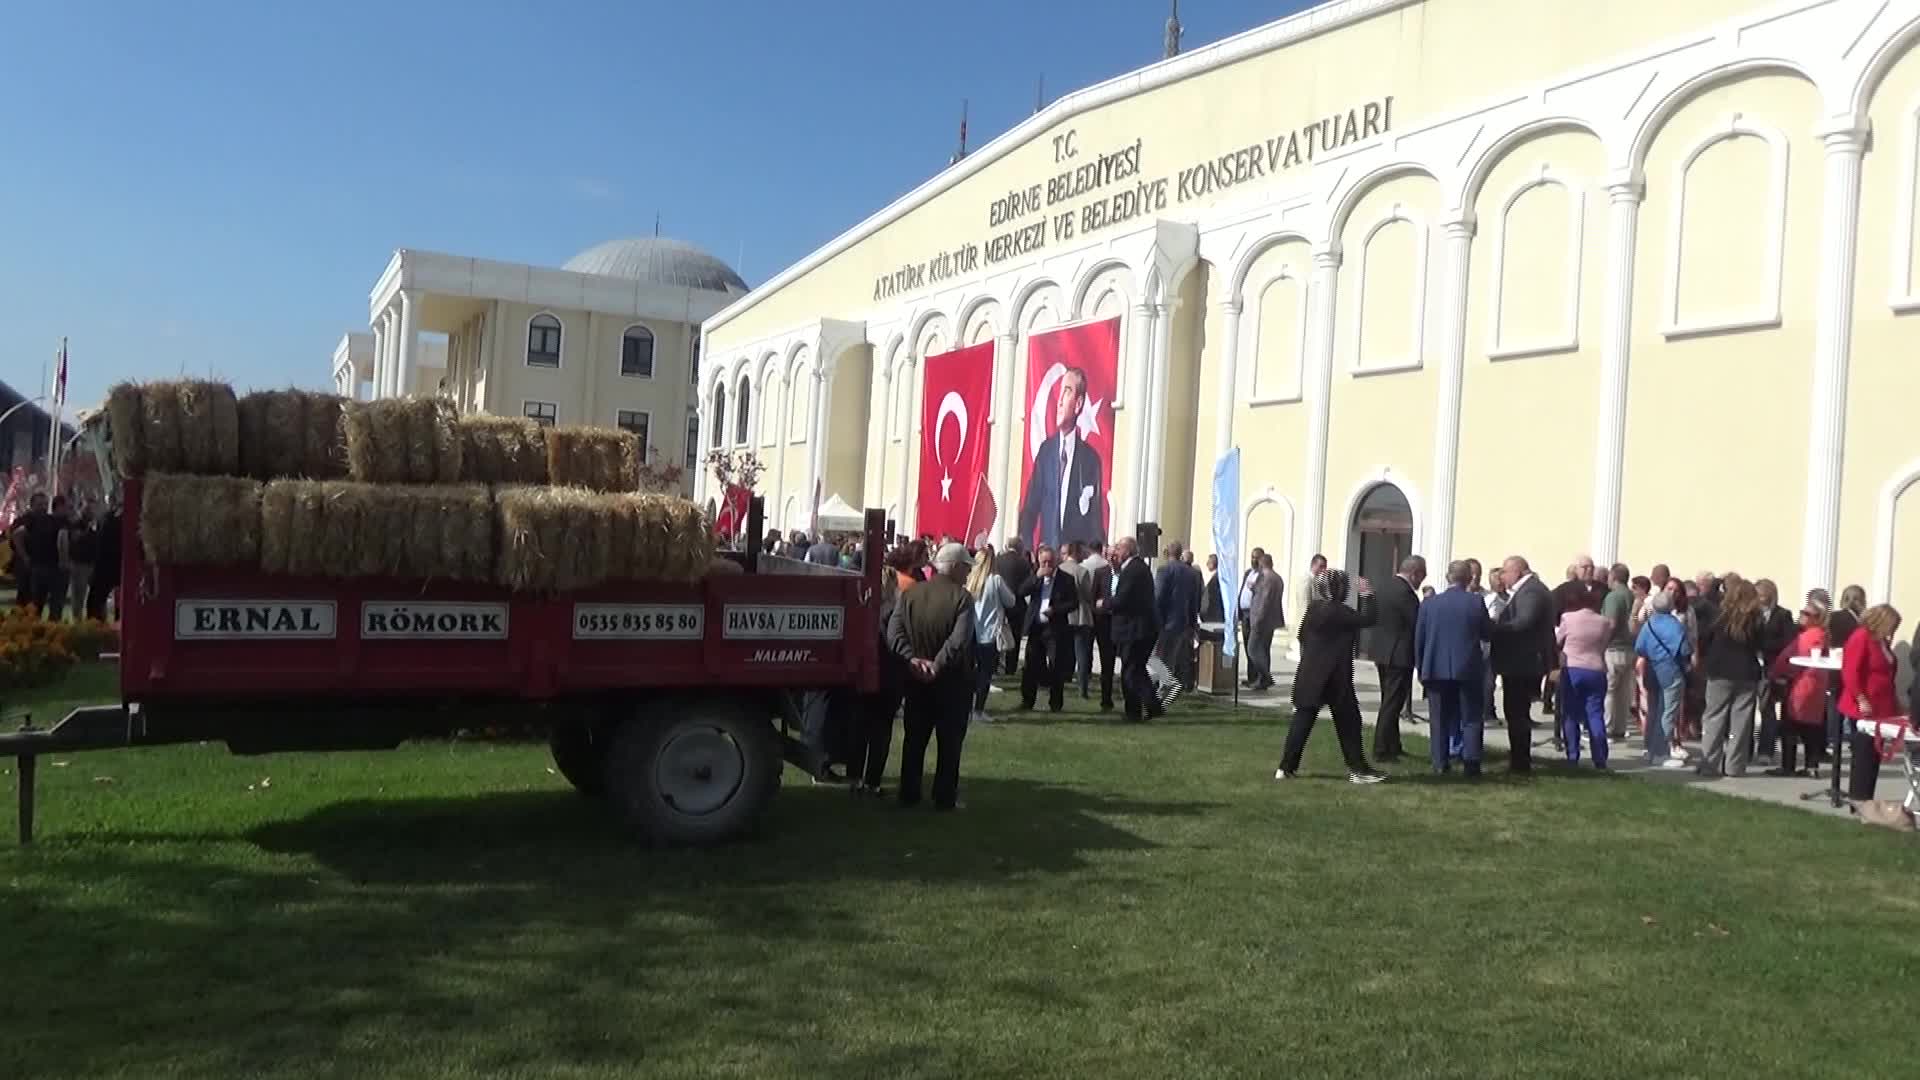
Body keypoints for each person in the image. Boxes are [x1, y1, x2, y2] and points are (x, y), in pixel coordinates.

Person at [887, 542, 977, 810]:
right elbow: (959, 641)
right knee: (949, 744)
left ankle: (909, 793)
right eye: (966, 568)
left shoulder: (911, 594)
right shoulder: (962, 598)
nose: (969, 573)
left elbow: (894, 633)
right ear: (956, 567)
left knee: (914, 740)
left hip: (916, 679)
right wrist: (936, 665)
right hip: (952, 681)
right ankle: (944, 797)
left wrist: (912, 660)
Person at [1277, 570, 1386, 784]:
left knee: (1302, 721)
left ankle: (1285, 767)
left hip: (1310, 674)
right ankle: (1358, 770)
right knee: (1349, 723)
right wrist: (1367, 595)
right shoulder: (1338, 611)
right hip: (1335, 677)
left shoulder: (1314, 609)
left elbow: (1302, 637)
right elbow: (1369, 618)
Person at [1693, 576, 1782, 780]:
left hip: (1719, 671)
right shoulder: (1756, 619)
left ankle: (1709, 763)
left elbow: (1704, 639)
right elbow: (1763, 645)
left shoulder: (1719, 616)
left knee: (1714, 718)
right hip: (1746, 672)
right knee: (1740, 722)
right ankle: (1735, 765)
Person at [1015, 366, 1106, 550]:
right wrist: (1026, 550)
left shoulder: (1090, 460)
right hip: (1045, 556)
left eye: (1066, 392)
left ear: (1078, 404)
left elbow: (1094, 520)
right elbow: (1030, 509)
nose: (1059, 402)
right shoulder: (1046, 452)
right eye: (1060, 392)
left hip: (1074, 560)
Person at [1415, 560, 1491, 776]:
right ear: (1469, 579)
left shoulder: (1429, 604)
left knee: (1438, 719)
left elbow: (1419, 640)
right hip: (1467, 668)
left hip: (1435, 669)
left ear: (1448, 578)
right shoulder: (1476, 602)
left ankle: (1440, 763)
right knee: (1471, 717)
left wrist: (1421, 669)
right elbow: (1486, 633)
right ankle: (1472, 762)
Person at [852, 550, 915, 796]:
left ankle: (856, 777)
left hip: (866, 675)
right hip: (889, 677)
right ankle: (872, 780)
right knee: (880, 732)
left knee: (860, 729)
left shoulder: (864, 609)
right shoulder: (897, 612)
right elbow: (899, 644)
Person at [1491, 556, 1554, 774]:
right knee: (1515, 712)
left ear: (1517, 571)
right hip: (1521, 661)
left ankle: (1520, 762)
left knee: (1516, 712)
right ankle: (1518, 758)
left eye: (1505, 572)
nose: (1502, 577)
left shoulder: (1531, 591)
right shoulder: (1528, 590)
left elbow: (1524, 622)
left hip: (1522, 662)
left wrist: (1496, 628)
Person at [1838, 604, 1903, 801]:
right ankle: (1858, 799)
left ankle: (1868, 798)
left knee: (1874, 755)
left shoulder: (1881, 641)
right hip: (1864, 705)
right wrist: (1860, 698)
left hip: (1883, 706)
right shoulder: (1861, 637)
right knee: (1864, 753)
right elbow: (1850, 672)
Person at [1766, 598, 1831, 778]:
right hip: (1809, 685)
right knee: (1809, 726)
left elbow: (1799, 659)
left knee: (1791, 725)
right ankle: (1811, 766)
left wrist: (1781, 675)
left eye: (1807, 614)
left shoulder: (1813, 636)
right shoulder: (1816, 634)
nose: (1802, 616)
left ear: (1817, 618)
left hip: (1802, 684)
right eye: (1802, 612)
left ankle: (1789, 766)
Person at [1371, 555, 1425, 761]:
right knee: (1392, 703)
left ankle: (1393, 744)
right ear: (1414, 573)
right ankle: (1381, 749)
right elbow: (1416, 622)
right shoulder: (1405, 593)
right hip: (1398, 654)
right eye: (1422, 576)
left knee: (1389, 699)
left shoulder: (1384, 586)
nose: (1422, 581)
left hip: (1382, 651)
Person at [1556, 585, 1614, 769]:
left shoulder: (1568, 618)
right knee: (1595, 714)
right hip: (1596, 669)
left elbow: (1558, 641)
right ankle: (1600, 758)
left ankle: (1573, 755)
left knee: (1571, 714)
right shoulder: (1604, 622)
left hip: (1573, 668)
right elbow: (1603, 645)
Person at [1103, 536, 1160, 722]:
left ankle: (1134, 711)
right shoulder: (1135, 568)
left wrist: (1105, 603)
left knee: (1130, 671)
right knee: (1136, 669)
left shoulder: (1134, 570)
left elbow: (1123, 599)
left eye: (1118, 548)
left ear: (1127, 551)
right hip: (1140, 628)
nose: (1116, 552)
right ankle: (1152, 705)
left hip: (1136, 630)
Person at [1634, 589, 1691, 768]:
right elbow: (1685, 650)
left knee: (1653, 712)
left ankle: (1650, 749)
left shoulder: (1648, 624)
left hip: (1651, 669)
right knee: (1667, 712)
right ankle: (1660, 752)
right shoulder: (1675, 625)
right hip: (1671, 670)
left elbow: (1639, 648)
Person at [1018, 546, 1079, 713]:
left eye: (1050, 562)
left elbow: (1073, 603)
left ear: (1057, 561)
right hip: (1036, 627)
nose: (1047, 566)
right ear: (1038, 561)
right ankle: (1027, 700)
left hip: (1055, 628)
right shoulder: (1035, 576)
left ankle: (1055, 703)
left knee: (1056, 666)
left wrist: (1056, 610)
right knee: (1031, 665)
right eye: (1044, 562)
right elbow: (1021, 592)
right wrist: (1035, 578)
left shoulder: (1066, 579)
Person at [965, 554, 1015, 726]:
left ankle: (967, 708)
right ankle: (978, 710)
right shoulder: (995, 580)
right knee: (985, 674)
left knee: (971, 672)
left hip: (971, 633)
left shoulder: (970, 580)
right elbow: (1011, 601)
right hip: (989, 633)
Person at [1751, 578, 1796, 765]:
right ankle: (1744, 750)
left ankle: (1766, 751)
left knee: (1767, 710)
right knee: (1746, 709)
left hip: (1771, 667)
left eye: (1762, 596)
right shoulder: (1751, 615)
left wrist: (1764, 647)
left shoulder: (1783, 615)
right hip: (1752, 666)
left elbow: (1788, 642)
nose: (1759, 600)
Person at [8, 494, 67, 620]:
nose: (43, 507)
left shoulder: (51, 520)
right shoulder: (27, 520)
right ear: (32, 505)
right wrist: (25, 557)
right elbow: (16, 536)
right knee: (30, 603)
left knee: (50, 604)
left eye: (45, 504)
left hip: (49, 567)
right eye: (40, 504)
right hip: (32, 568)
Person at [1154, 541, 1200, 691]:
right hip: (1183, 622)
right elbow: (1194, 601)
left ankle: (1164, 686)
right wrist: (1193, 624)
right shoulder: (1191, 573)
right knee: (1173, 656)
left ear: (1167, 552)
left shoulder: (1163, 571)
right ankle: (1167, 685)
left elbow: (1158, 597)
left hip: (1165, 622)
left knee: (1159, 656)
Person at [1602, 563, 1634, 742]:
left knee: (1609, 690)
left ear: (1613, 577)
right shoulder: (1630, 595)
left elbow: (1611, 623)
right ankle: (1620, 728)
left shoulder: (1613, 597)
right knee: (1623, 692)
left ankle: (1608, 728)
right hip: (1630, 647)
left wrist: (1602, 642)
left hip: (1614, 647)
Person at [1060, 542, 1096, 700]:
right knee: (1082, 654)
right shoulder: (1081, 571)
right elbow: (1088, 595)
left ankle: (1058, 684)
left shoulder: (1059, 569)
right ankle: (1082, 688)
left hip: (1062, 616)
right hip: (1080, 616)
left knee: (1061, 653)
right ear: (1076, 553)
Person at [1245, 553, 1285, 691]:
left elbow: (1265, 600)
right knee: (1263, 650)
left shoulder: (1267, 578)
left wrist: (1258, 619)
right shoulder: (1278, 578)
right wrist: (1254, 588)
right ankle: (1262, 681)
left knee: (1252, 649)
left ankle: (1266, 676)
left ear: (1263, 564)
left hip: (1261, 620)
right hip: (1271, 621)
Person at [995, 540, 1032, 676]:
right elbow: (1028, 585)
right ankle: (1011, 667)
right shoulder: (1024, 563)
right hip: (1017, 604)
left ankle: (995, 665)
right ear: (1020, 548)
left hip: (999, 603)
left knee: (997, 635)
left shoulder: (998, 560)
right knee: (1014, 638)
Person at [1088, 545, 1118, 710]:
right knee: (1107, 664)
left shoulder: (1125, 574)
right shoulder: (1101, 573)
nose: (1112, 558)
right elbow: (1092, 600)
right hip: (1104, 624)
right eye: (1109, 555)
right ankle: (1106, 699)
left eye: (1115, 555)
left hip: (1122, 623)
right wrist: (1099, 610)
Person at [66, 504, 100, 623]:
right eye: (87, 511)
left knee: (95, 594)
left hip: (93, 563)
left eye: (92, 511)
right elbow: (75, 539)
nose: (91, 514)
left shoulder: (96, 525)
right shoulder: (76, 525)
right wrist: (87, 529)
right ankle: (77, 620)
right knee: (78, 594)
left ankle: (93, 619)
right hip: (79, 564)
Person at [1200, 553, 1224, 625]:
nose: (1206, 564)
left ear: (1214, 563)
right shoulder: (1214, 576)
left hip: (1214, 617)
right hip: (1209, 617)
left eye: (1209, 562)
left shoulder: (1218, 577)